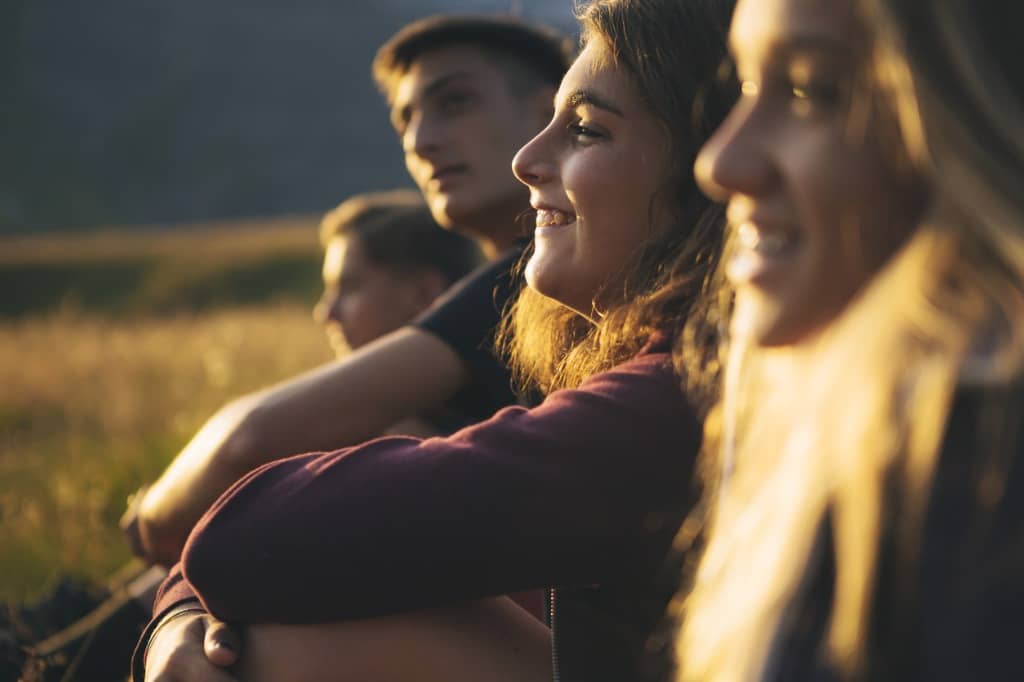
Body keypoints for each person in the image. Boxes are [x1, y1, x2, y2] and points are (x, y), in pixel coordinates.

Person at [135, 0, 737, 680]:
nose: (527, 160)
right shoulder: (613, 347)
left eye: (587, 130)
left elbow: (237, 508)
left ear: (717, 169)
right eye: (406, 118)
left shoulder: (684, 391)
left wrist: (169, 584)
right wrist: (176, 613)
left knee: (285, 632)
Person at [123, 15, 573, 569]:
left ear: (550, 110)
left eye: (455, 103)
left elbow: (246, 440)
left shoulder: (532, 277)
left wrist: (149, 524)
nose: (420, 141)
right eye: (405, 119)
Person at [675, 0, 1024, 680]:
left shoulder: (974, 457)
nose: (721, 162)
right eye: (745, 85)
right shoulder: (858, 414)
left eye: (812, 90)